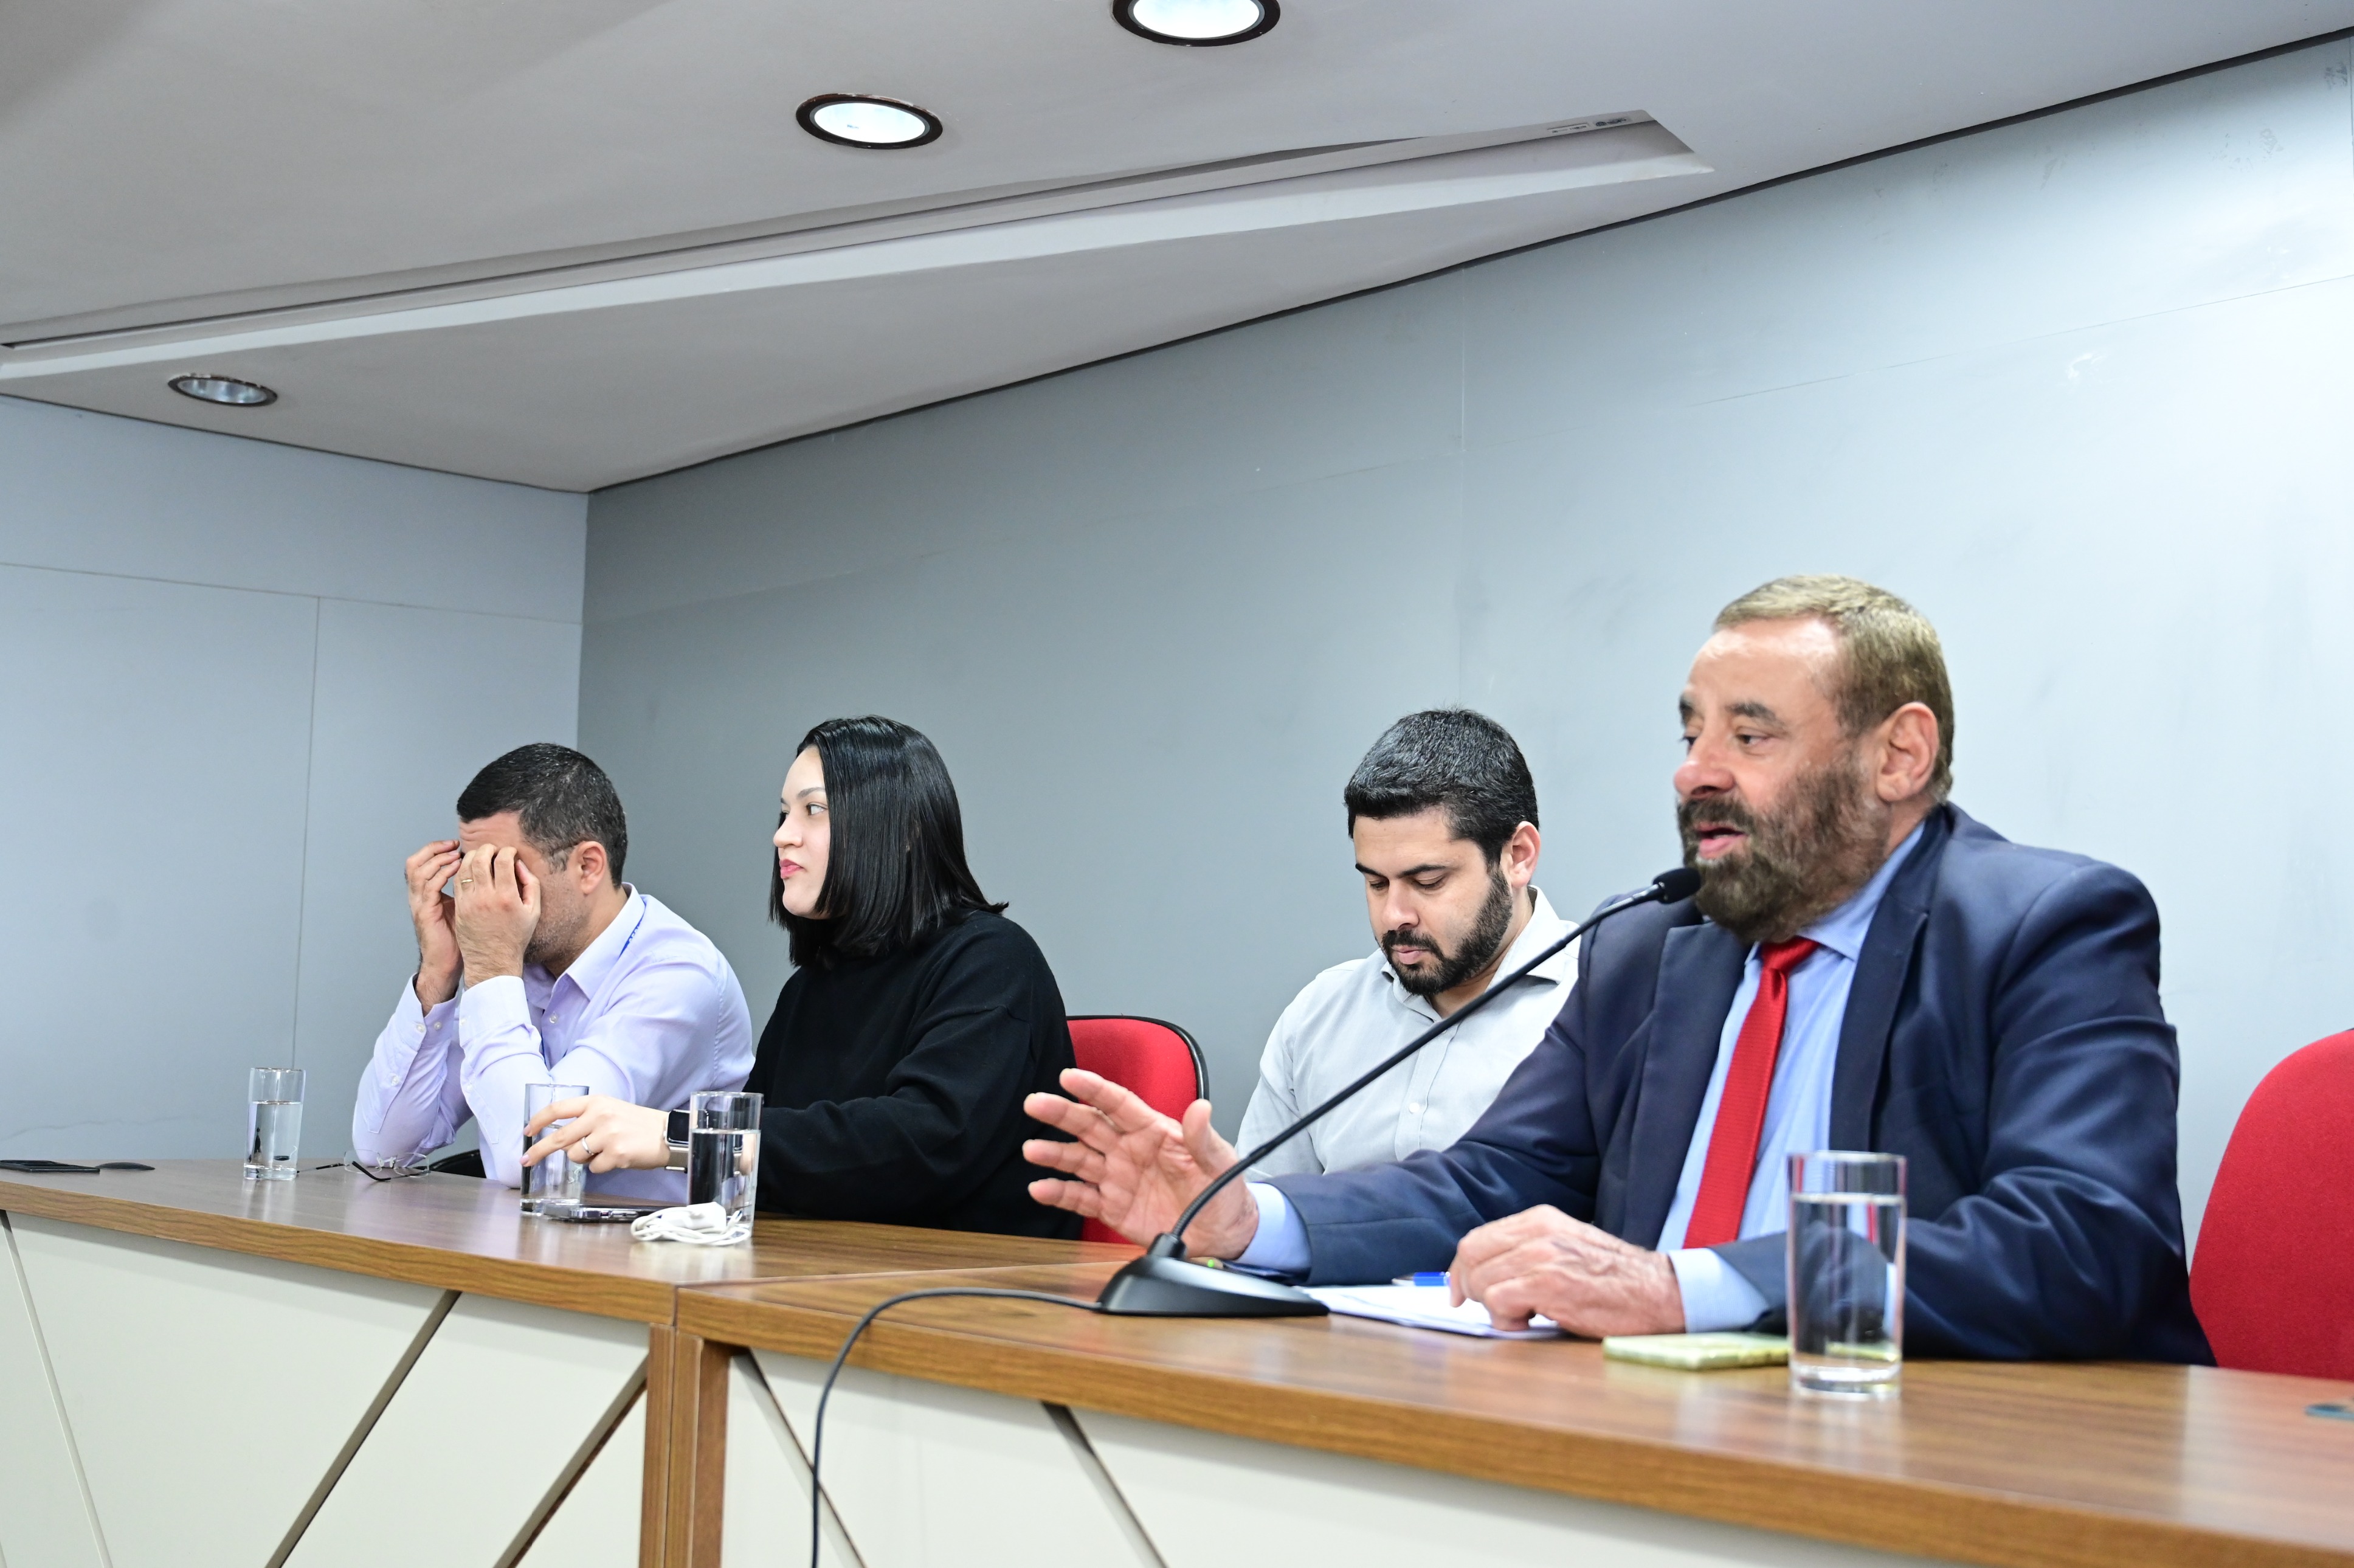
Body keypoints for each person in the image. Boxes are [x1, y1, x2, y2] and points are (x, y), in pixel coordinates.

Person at [1027, 576, 2209, 1361]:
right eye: (1688, 731)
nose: (1696, 770)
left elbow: (2083, 1235)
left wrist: (1690, 1286)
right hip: (1637, 1418)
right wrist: (1250, 1218)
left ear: (1898, 754)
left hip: (1937, 1441)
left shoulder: (2043, 923)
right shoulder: (1651, 943)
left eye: (1749, 733)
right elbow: (1494, 1175)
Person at [523, 717, 1081, 1238]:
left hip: (967, 1284)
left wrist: (676, 1135)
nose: (783, 836)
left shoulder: (992, 960)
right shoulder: (811, 987)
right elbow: (770, 1159)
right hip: (817, 1268)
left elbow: (923, 1143)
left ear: (906, 830)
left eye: (813, 810)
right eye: (784, 813)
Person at [353, 743, 755, 1201]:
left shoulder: (678, 975)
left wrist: (490, 968)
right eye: (472, 871)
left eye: (503, 871)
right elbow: (383, 1146)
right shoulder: (520, 960)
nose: (479, 898)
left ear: (587, 867)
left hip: (648, 1243)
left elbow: (537, 1159)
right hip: (525, 1239)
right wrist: (437, 973)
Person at [1236, 710, 1575, 1176]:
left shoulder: (1602, 1007)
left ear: (1517, 856)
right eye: (1376, 883)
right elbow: (1256, 1209)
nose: (1394, 915)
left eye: (1428, 881)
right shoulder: (1319, 1016)